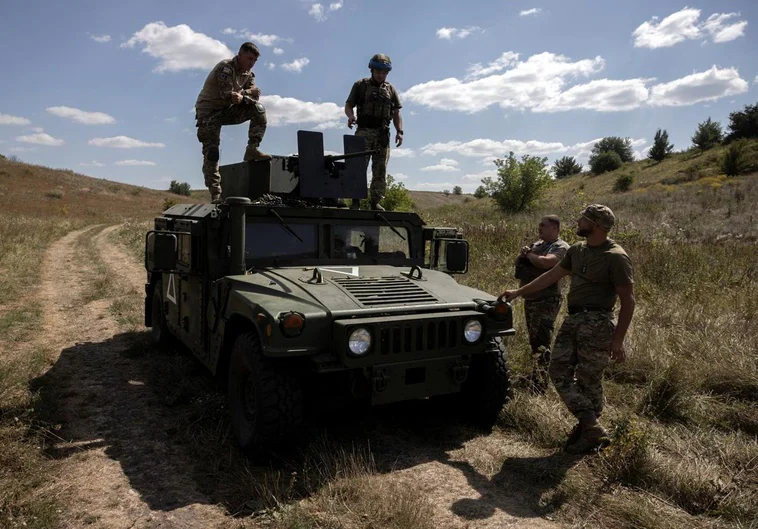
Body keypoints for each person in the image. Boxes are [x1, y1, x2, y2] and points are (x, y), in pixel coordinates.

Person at [501, 204, 635, 454]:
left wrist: (618, 340)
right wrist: (519, 292)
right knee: (557, 370)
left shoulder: (615, 256)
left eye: (583, 219)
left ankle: (587, 430)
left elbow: (628, 301)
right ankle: (591, 426)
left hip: (598, 324)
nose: (577, 222)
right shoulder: (577, 251)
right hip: (573, 320)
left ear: (596, 225)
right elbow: (551, 276)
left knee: (589, 380)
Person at [195, 42, 270, 203]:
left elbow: (252, 99)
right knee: (212, 152)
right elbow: (226, 95)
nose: (251, 63)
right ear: (240, 54)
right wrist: (245, 94)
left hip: (227, 111)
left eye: (254, 61)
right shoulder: (226, 67)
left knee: (258, 109)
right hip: (208, 113)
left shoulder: (249, 75)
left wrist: (243, 96)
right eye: (249, 58)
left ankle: (252, 149)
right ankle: (216, 194)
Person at [514, 215, 570, 393]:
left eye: (543, 226)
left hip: (546, 300)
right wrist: (524, 254)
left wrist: (529, 255)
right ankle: (536, 376)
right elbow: (519, 263)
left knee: (542, 341)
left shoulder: (561, 247)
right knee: (534, 340)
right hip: (531, 299)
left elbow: (547, 263)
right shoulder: (537, 245)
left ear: (555, 228)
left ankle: (540, 382)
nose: (539, 228)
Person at [344, 53, 403, 211]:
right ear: (372, 70)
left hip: (382, 133)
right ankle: (355, 201)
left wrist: (400, 131)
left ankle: (375, 202)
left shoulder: (390, 89)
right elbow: (349, 105)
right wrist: (351, 116)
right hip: (363, 131)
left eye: (384, 73)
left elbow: (396, 112)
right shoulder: (360, 85)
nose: (381, 75)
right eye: (378, 72)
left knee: (380, 169)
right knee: (358, 166)